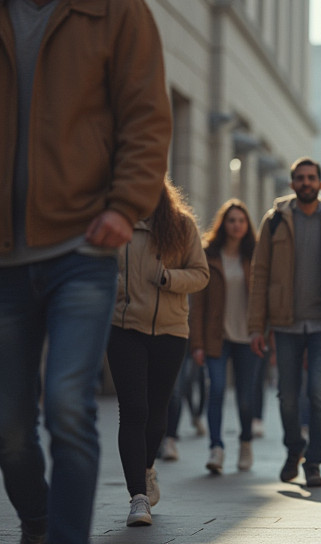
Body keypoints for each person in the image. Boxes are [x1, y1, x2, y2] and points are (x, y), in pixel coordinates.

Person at [0, 1, 171, 542]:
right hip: (4, 257)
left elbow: (146, 115)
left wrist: (125, 205)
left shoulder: (116, 10)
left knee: (69, 406)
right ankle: (38, 521)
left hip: (81, 246)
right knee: (9, 427)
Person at [248, 157, 321, 488]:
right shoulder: (275, 222)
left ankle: (314, 463)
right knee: (287, 395)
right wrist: (256, 325)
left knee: (320, 391)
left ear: (320, 184)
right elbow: (260, 273)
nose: (306, 182)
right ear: (293, 183)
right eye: (300, 178)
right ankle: (294, 449)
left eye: (311, 178)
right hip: (285, 323)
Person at [107, 179, 209, 527]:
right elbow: (101, 268)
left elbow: (201, 274)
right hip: (124, 329)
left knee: (157, 412)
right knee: (133, 410)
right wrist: (119, 287)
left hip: (170, 331)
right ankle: (138, 497)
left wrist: (168, 279)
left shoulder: (182, 225)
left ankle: (147, 467)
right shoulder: (118, 222)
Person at [189, 199, 262, 473]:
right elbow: (198, 305)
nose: (236, 225)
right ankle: (216, 448)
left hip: (247, 337)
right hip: (216, 337)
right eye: (231, 220)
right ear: (224, 224)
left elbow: (264, 298)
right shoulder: (209, 255)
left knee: (245, 397)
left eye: (241, 220)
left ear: (247, 225)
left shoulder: (255, 257)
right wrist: (196, 343)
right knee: (216, 390)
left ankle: (245, 442)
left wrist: (263, 331)